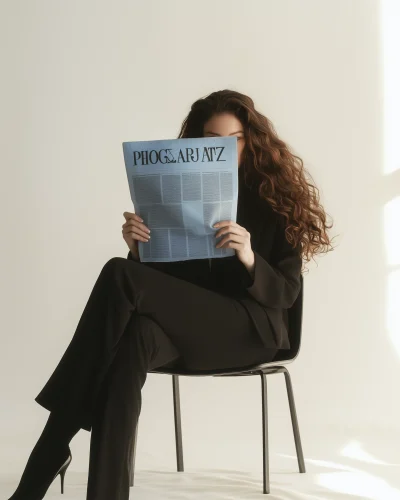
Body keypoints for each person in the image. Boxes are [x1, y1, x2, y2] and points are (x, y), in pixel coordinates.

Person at [7, 89, 333, 500]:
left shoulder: (274, 200)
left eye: (231, 139)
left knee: (118, 274)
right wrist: (141, 247)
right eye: (208, 139)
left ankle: (52, 446)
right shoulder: (183, 194)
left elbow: (285, 293)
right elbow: (163, 288)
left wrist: (249, 256)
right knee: (134, 337)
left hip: (250, 329)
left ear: (250, 141)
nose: (219, 148)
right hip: (193, 331)